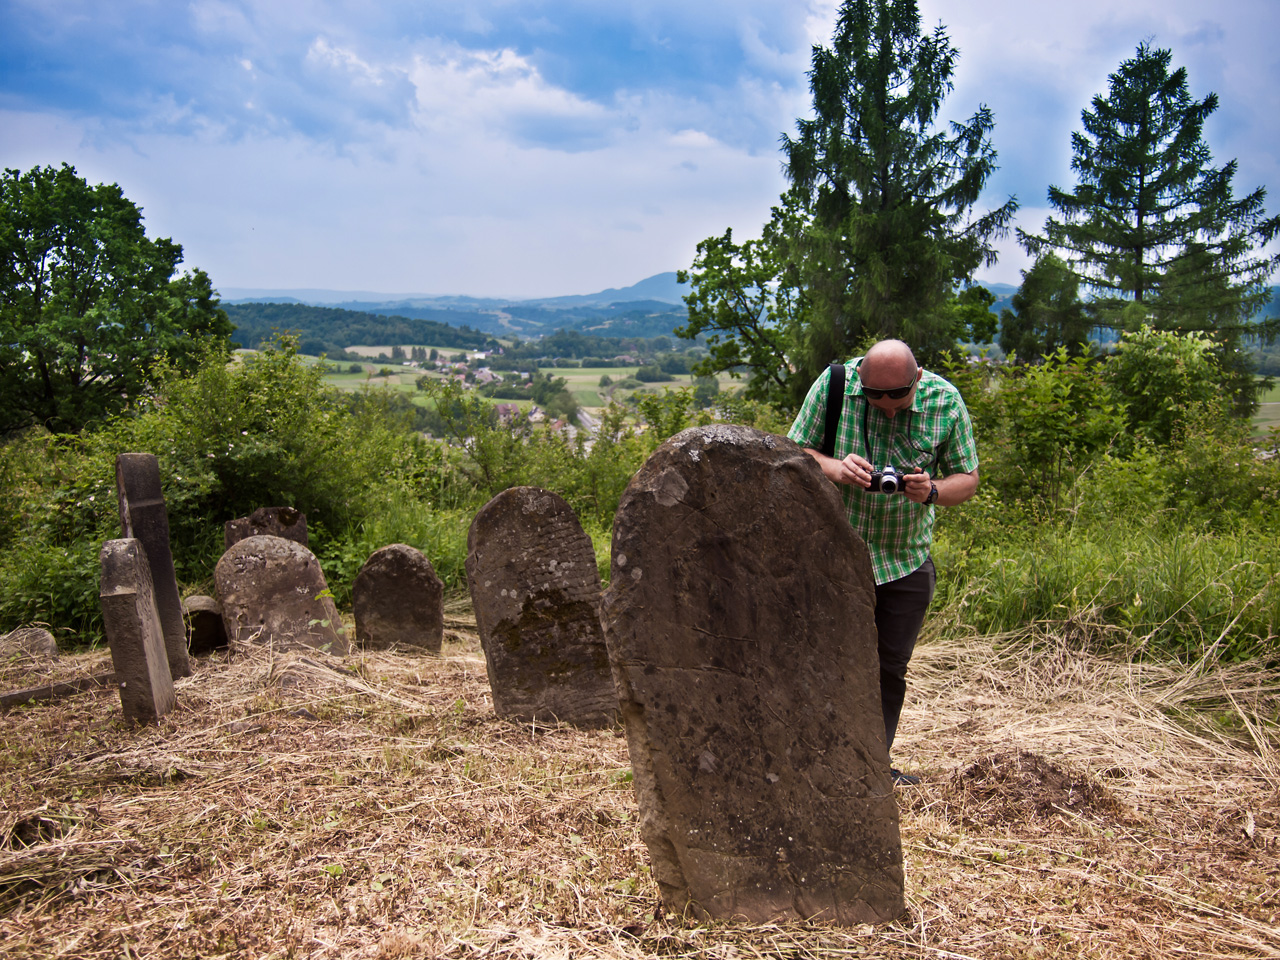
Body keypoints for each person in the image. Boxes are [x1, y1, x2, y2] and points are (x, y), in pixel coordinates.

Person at [787, 339, 979, 785]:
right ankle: (810, 761)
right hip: (832, 555)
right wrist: (835, 469)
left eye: (899, 396)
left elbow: (967, 481)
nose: (888, 407)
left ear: (917, 379)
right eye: (876, 397)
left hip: (905, 559)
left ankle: (870, 766)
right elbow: (792, 454)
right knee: (821, 659)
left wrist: (931, 491)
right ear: (860, 381)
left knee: (888, 669)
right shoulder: (834, 385)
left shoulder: (945, 401)